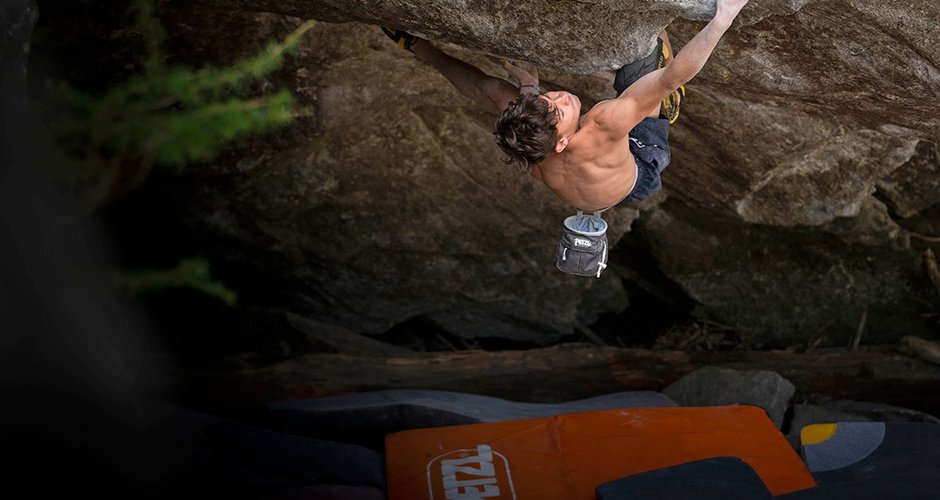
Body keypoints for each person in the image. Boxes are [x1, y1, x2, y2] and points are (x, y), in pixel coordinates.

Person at [383, 0, 749, 212]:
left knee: (495, 89)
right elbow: (672, 78)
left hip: (593, 191)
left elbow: (486, 86)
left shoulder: (526, 140)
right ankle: (663, 112)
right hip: (639, 169)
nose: (559, 98)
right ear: (560, 144)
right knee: (641, 65)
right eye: (557, 111)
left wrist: (529, 87)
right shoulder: (604, 125)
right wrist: (722, 19)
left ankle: (416, 47)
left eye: (546, 99)